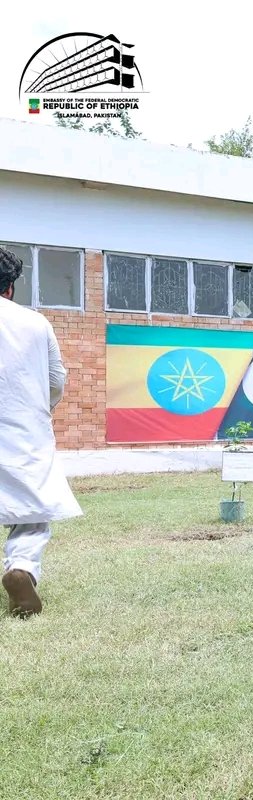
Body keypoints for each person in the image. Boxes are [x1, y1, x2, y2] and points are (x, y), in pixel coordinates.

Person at [0, 246, 82, 617]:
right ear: (10, 287)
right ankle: (21, 567)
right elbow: (55, 379)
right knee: (31, 514)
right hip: (22, 429)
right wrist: (41, 410)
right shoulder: (36, 323)